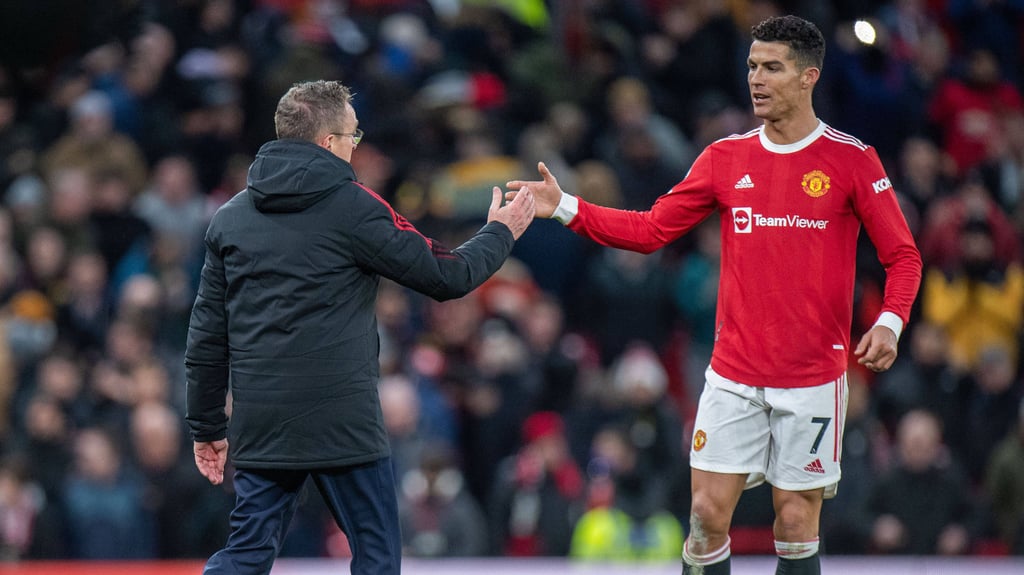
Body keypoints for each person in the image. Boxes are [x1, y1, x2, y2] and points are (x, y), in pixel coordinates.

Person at [506, 15, 922, 575]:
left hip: (813, 377)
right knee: (704, 517)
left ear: (808, 77)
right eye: (752, 66)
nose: (756, 79)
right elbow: (652, 229)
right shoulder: (725, 159)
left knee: (796, 525)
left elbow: (903, 256)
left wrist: (891, 322)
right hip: (734, 373)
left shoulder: (852, 160)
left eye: (772, 67)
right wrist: (565, 207)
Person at [185, 79, 535, 575]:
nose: (356, 144)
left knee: (245, 554)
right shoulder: (356, 207)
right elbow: (447, 275)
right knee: (376, 559)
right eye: (354, 134)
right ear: (329, 143)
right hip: (342, 422)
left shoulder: (230, 219)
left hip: (264, 419)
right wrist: (501, 231)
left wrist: (205, 426)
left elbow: (205, 337)